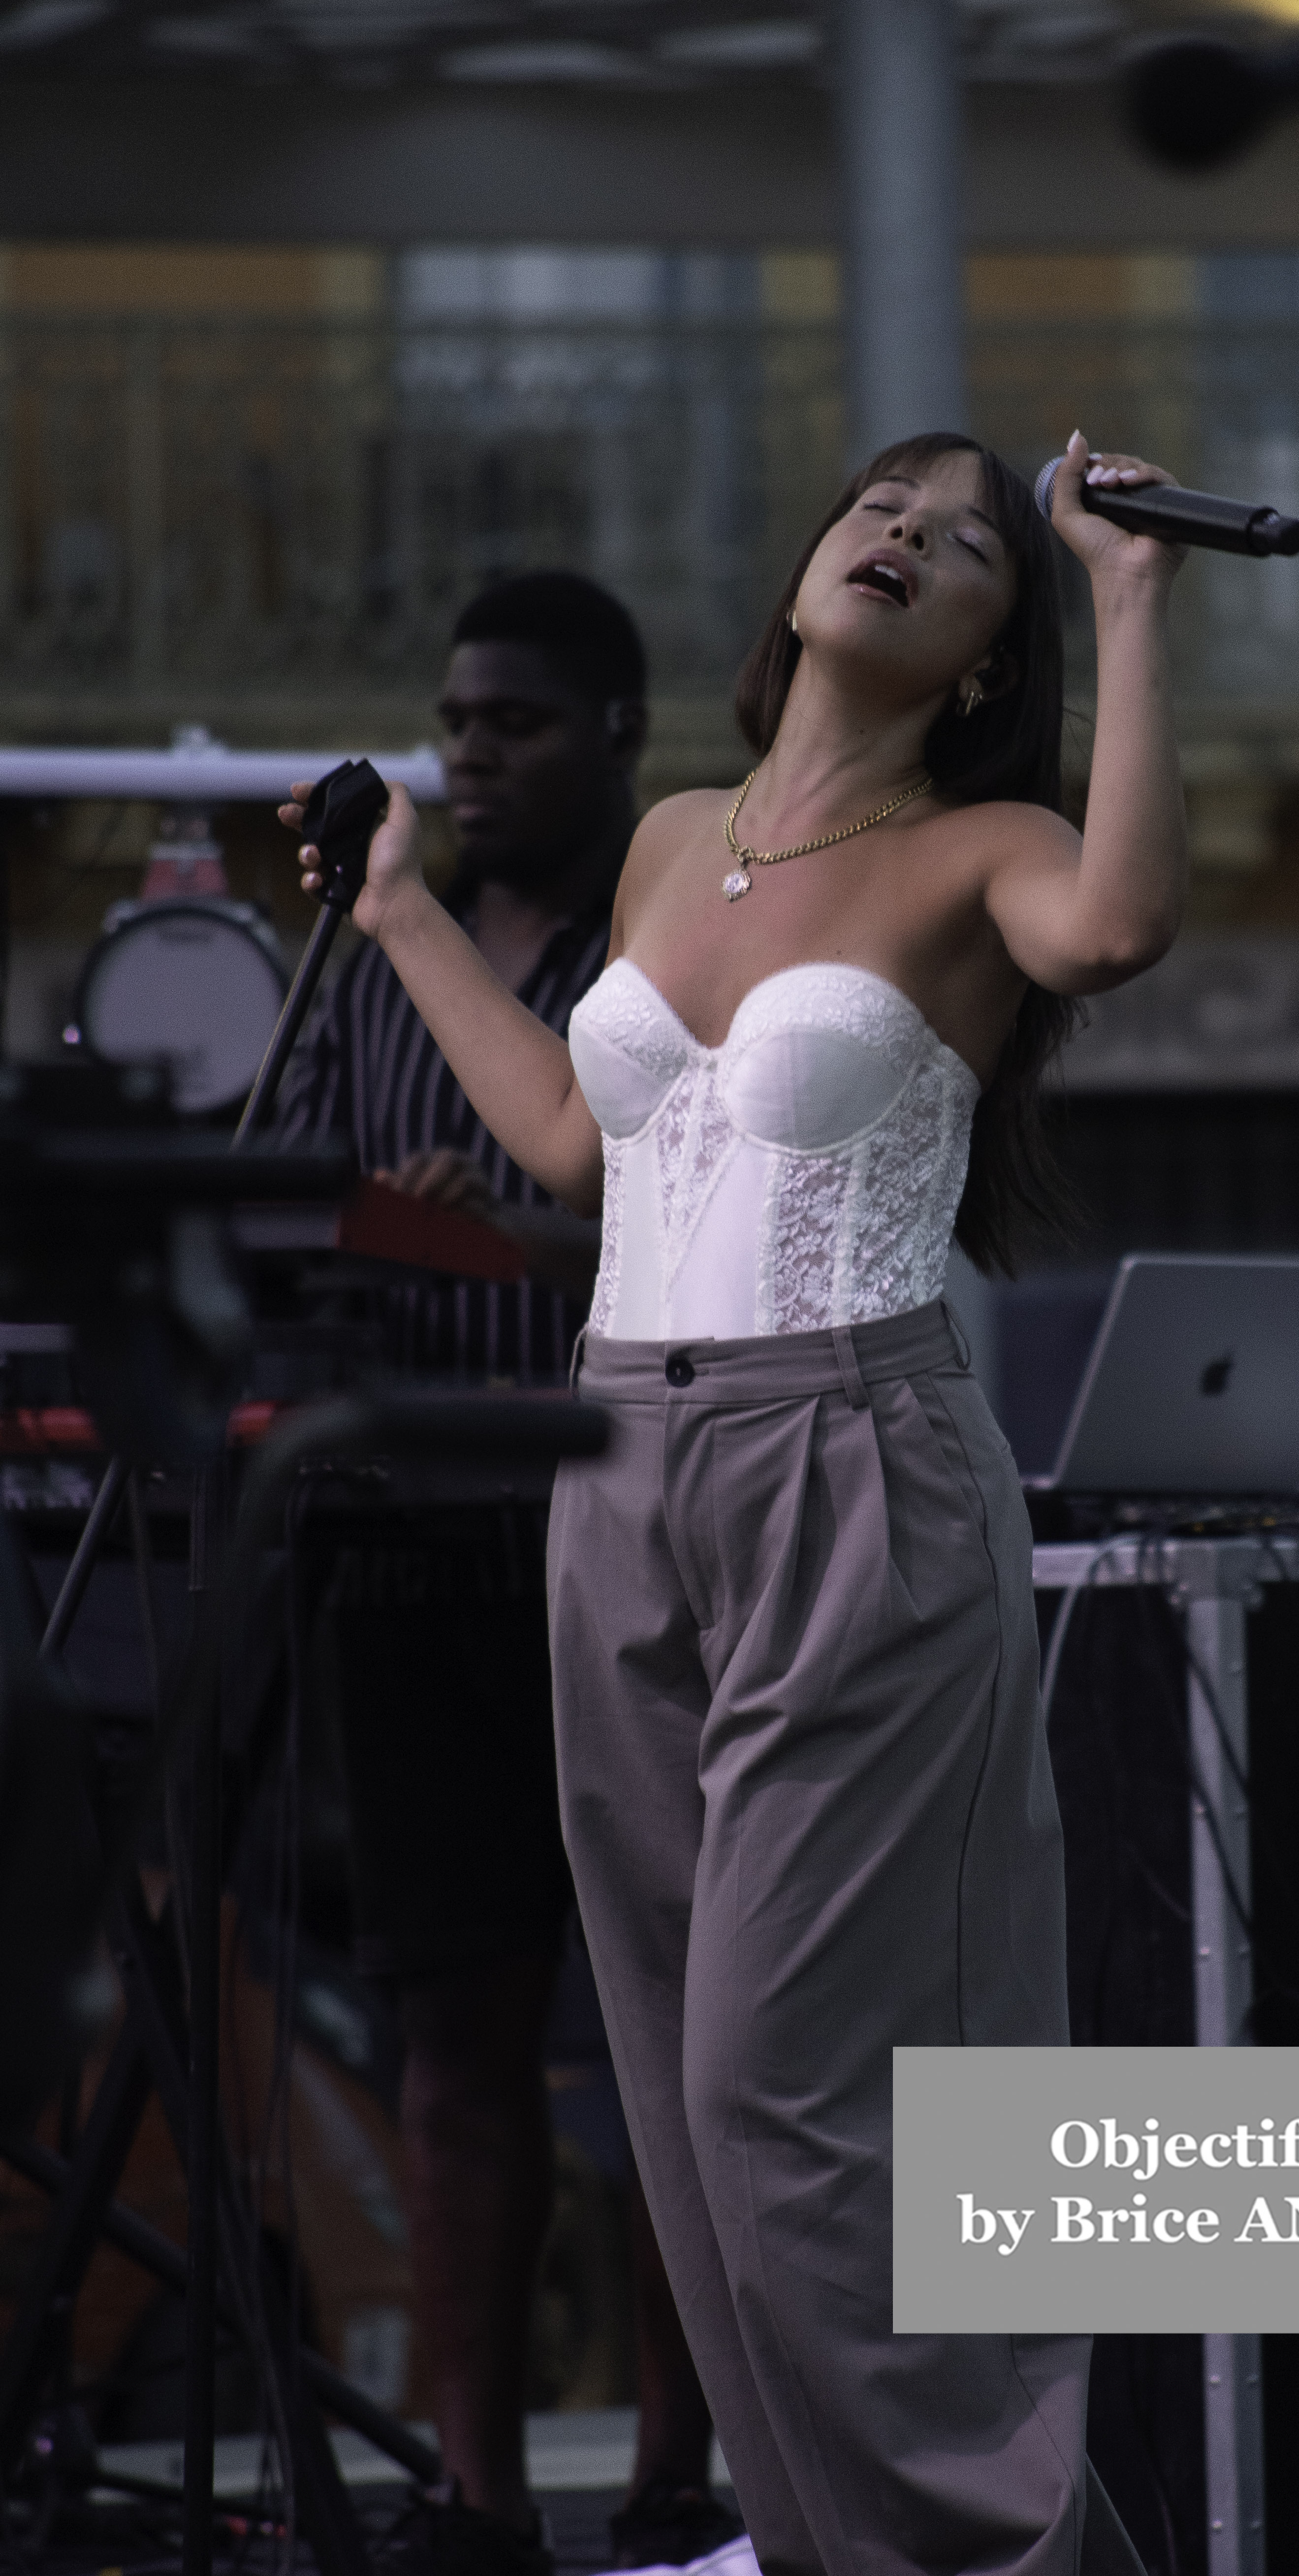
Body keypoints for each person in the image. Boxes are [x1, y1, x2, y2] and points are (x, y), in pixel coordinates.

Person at [285, 432, 1189, 2576]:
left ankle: (1000, 2555)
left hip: (845, 1460)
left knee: (772, 2099)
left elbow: (1125, 922)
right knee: (683, 2112)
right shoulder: (674, 842)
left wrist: (1132, 595)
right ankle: (818, 2546)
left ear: (986, 655)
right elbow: (577, 1153)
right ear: (804, 565)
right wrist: (401, 909)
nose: (905, 537)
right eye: (882, 505)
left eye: (968, 546)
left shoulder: (993, 843)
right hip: (617, 1464)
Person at [281, 570, 736, 2576]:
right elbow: (278, 1199)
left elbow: (721, 1224)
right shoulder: (372, 952)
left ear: (620, 737)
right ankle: (470, 2503)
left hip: (627, 1533)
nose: (471, 754)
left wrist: (533, 1220)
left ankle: (677, 2476)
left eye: (519, 725)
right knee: (458, 2036)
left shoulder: (669, 959)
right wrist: (382, 1217)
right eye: (457, 721)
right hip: (412, 1555)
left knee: (671, 2038)